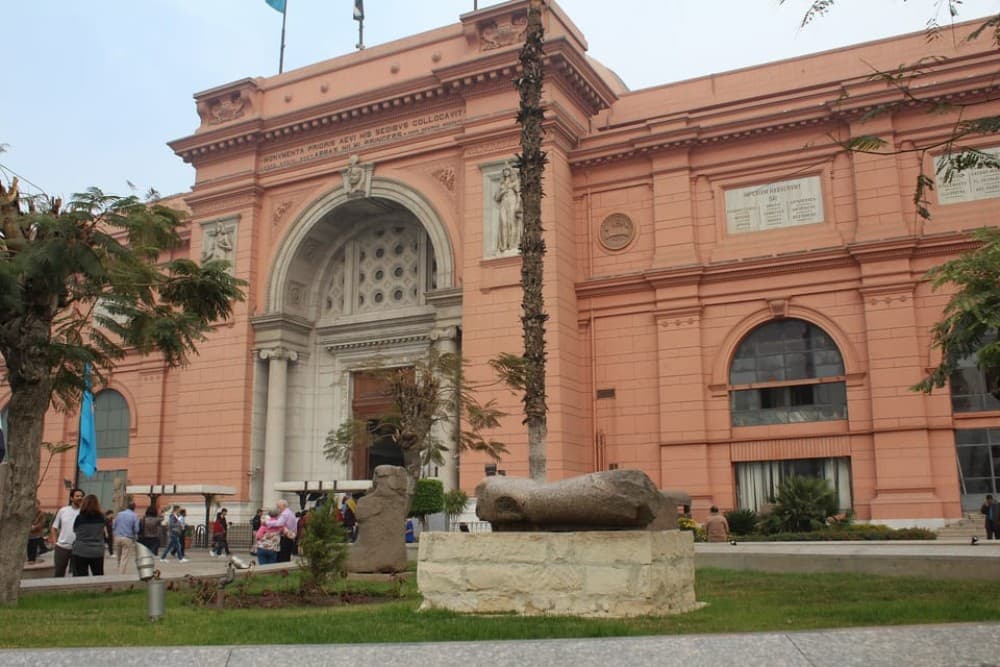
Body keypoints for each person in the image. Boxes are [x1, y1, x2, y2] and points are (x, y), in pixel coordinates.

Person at [50, 488, 85, 577]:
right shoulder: (63, 510)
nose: (80, 498)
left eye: (81, 496)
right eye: (77, 496)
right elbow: (54, 527)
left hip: (79, 547)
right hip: (62, 547)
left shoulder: (84, 512)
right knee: (59, 572)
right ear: (71, 498)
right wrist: (55, 543)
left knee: (78, 574)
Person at [71, 494, 107, 576]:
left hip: (80, 549)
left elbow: (75, 530)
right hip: (97, 550)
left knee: (80, 576)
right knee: (98, 575)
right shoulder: (101, 518)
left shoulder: (79, 517)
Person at [494, 165, 521, 253]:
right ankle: (504, 246)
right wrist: (502, 192)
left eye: (507, 170)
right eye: (504, 170)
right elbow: (497, 197)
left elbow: (519, 194)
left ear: (510, 172)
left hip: (512, 201)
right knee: (503, 223)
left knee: (511, 223)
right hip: (503, 203)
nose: (506, 172)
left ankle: (512, 245)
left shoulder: (515, 182)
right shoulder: (501, 184)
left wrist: (517, 205)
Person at [112, 501, 141, 574]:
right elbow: (137, 529)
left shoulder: (119, 514)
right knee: (124, 557)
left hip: (118, 536)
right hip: (128, 537)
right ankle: (121, 573)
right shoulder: (134, 516)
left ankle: (118, 569)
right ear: (134, 508)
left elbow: (114, 525)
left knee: (119, 555)